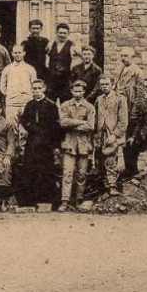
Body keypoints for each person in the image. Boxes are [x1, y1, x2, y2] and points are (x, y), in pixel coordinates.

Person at [18, 79, 61, 210]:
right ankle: (30, 201)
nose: (36, 91)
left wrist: (55, 145)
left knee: (46, 171)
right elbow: (24, 120)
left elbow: (55, 126)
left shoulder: (51, 105)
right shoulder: (29, 105)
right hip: (32, 143)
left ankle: (48, 200)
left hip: (46, 144)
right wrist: (32, 128)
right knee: (30, 169)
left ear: (44, 88)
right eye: (34, 89)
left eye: (39, 89)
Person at [58, 79, 95, 211]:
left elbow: (90, 126)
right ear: (71, 91)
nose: (78, 93)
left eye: (80, 91)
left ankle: (79, 200)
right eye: (75, 90)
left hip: (84, 145)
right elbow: (63, 122)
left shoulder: (90, 107)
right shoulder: (66, 105)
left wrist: (72, 123)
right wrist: (80, 122)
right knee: (67, 173)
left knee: (81, 174)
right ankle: (65, 201)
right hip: (69, 144)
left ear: (84, 92)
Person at [94, 76, 128, 198]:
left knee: (111, 159)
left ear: (112, 84)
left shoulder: (120, 99)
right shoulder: (99, 99)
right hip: (100, 134)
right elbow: (96, 118)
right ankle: (105, 186)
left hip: (113, 134)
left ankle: (113, 186)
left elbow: (123, 121)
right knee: (100, 160)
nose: (104, 87)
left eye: (106, 84)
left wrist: (115, 135)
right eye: (102, 85)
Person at [115, 47, 144, 177]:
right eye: (122, 56)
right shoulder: (120, 71)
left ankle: (132, 169)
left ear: (132, 57)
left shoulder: (137, 73)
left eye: (126, 56)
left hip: (131, 109)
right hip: (120, 109)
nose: (123, 58)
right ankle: (126, 168)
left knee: (131, 140)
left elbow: (140, 95)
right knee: (123, 138)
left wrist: (134, 112)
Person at [0, 44, 37, 135]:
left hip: (26, 102)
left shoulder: (30, 69)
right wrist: (10, 94)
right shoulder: (7, 69)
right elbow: (2, 87)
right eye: (15, 53)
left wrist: (28, 95)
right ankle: (13, 148)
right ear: (12, 54)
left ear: (24, 53)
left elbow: (35, 85)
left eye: (20, 52)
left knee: (26, 127)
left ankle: (24, 148)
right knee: (12, 128)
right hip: (12, 103)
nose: (17, 55)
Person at [47, 23, 79, 103]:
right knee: (50, 104)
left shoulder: (72, 46)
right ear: (57, 33)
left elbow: (77, 61)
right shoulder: (51, 44)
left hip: (65, 81)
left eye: (64, 33)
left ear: (68, 34)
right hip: (52, 80)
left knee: (65, 104)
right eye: (60, 33)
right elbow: (46, 58)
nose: (62, 35)